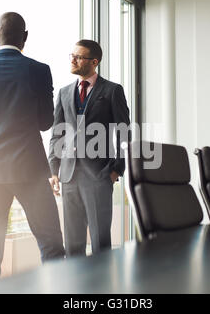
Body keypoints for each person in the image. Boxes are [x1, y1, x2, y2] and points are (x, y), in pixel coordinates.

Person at [0, 12, 65, 280]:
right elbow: (45, 122)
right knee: (51, 245)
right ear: (25, 38)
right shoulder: (39, 70)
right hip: (30, 170)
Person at [48, 39, 130, 257]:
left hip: (99, 175)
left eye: (79, 57)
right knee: (73, 244)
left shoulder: (112, 91)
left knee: (100, 242)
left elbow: (124, 132)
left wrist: (116, 170)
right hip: (68, 175)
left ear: (94, 62)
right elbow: (57, 132)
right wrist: (53, 170)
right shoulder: (64, 92)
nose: (73, 60)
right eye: (72, 55)